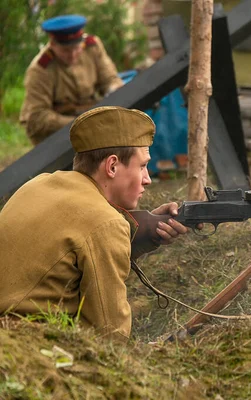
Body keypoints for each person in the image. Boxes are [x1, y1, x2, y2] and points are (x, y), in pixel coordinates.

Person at [0, 106, 191, 341]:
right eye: (142, 166)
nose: (148, 179)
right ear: (111, 166)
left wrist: (143, 232)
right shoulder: (105, 223)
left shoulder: (38, 184)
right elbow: (111, 336)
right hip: (27, 346)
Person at [19, 14, 124, 145]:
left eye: (77, 48)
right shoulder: (40, 70)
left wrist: (114, 91)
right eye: (65, 50)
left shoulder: (93, 46)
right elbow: (37, 117)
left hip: (91, 121)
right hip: (56, 135)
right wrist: (79, 123)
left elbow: (110, 78)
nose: (73, 55)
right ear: (53, 45)